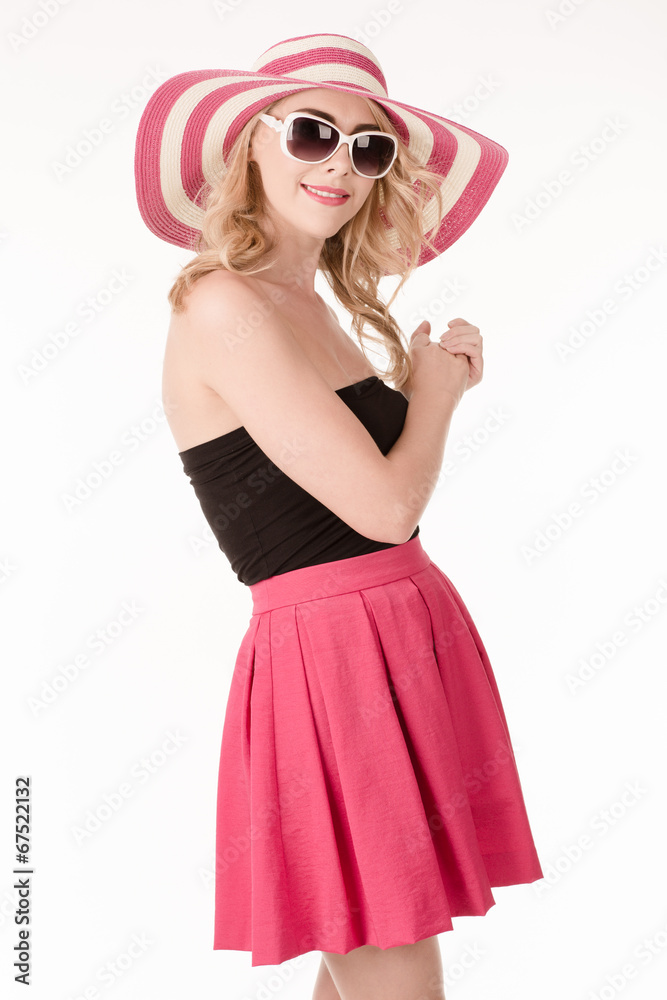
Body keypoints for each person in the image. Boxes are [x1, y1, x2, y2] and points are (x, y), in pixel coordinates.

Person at [134, 32, 544, 1000]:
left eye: (368, 148)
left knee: (370, 954)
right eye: (313, 133)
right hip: (332, 659)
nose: (340, 165)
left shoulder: (310, 304)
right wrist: (434, 396)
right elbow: (385, 507)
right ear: (251, 140)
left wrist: (425, 386)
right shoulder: (222, 304)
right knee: (393, 964)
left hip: (398, 633)